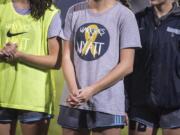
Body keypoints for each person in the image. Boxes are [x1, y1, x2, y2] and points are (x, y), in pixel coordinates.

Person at [58, 0, 141, 135]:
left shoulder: (125, 15)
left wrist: (92, 90)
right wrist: (74, 91)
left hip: (108, 103)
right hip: (73, 100)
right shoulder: (74, 11)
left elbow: (127, 65)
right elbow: (67, 57)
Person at [0, 0, 62, 135]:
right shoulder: (2, 6)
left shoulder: (50, 12)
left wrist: (20, 56)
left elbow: (56, 61)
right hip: (3, 93)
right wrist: (2, 53)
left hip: (34, 97)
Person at [125, 0, 180, 135]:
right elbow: (127, 64)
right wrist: (125, 103)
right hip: (140, 105)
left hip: (175, 106)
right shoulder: (137, 20)